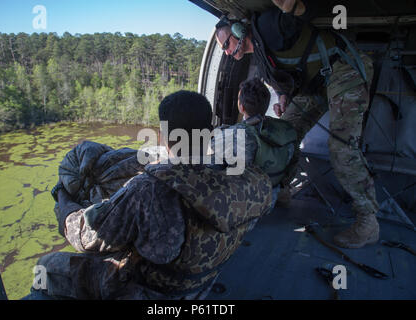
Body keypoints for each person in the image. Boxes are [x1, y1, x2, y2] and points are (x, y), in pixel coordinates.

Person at [25, 90, 273, 300]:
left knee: (45, 267)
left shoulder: (149, 189)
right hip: (202, 286)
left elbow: (85, 237)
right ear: (210, 131)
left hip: (152, 292)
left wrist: (62, 197)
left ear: (164, 137)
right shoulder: (245, 178)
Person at [214, 0, 379, 249]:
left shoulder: (266, 27)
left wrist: (292, 6)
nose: (227, 52)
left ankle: (368, 221)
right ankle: (282, 188)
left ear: (239, 32)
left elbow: (299, 14)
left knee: (342, 146)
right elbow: (285, 80)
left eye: (226, 44)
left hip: (344, 69)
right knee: (284, 130)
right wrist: (282, 99)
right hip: (317, 84)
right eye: (223, 50)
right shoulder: (259, 56)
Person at [211, 77, 296, 208]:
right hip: (273, 194)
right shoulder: (285, 129)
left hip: (249, 204)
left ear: (241, 107)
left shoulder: (237, 134)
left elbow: (212, 146)